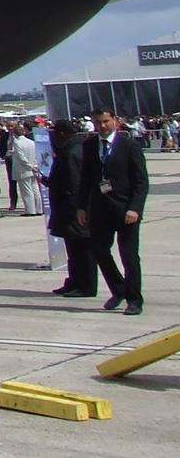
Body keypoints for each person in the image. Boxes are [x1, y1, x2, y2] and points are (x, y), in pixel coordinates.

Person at [79, 108, 149, 315]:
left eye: (106, 121)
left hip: (126, 211)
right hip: (101, 210)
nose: (102, 126)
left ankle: (134, 300)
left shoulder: (129, 146)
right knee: (99, 251)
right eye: (98, 122)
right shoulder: (90, 146)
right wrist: (82, 206)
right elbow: (86, 179)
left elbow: (141, 181)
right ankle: (119, 289)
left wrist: (135, 208)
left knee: (129, 256)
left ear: (115, 122)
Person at [47, 120, 97, 298]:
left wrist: (77, 209)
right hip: (70, 209)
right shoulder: (72, 149)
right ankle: (75, 281)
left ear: (62, 133)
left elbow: (75, 184)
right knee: (73, 250)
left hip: (73, 211)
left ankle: (86, 285)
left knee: (82, 250)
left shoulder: (71, 152)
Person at [9, 124, 43, 216]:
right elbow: (36, 155)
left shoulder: (17, 143)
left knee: (27, 191)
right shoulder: (31, 142)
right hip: (33, 168)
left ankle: (30, 210)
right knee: (35, 189)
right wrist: (35, 165)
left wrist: (29, 166)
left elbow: (21, 157)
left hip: (24, 170)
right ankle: (39, 209)